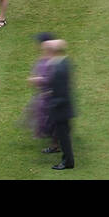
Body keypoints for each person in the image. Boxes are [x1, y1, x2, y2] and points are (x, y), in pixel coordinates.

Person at [46, 40, 76, 169]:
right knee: (63, 136)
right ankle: (66, 160)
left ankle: (68, 162)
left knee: (64, 139)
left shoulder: (59, 69)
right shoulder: (64, 62)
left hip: (61, 110)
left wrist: (51, 102)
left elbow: (62, 93)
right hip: (65, 108)